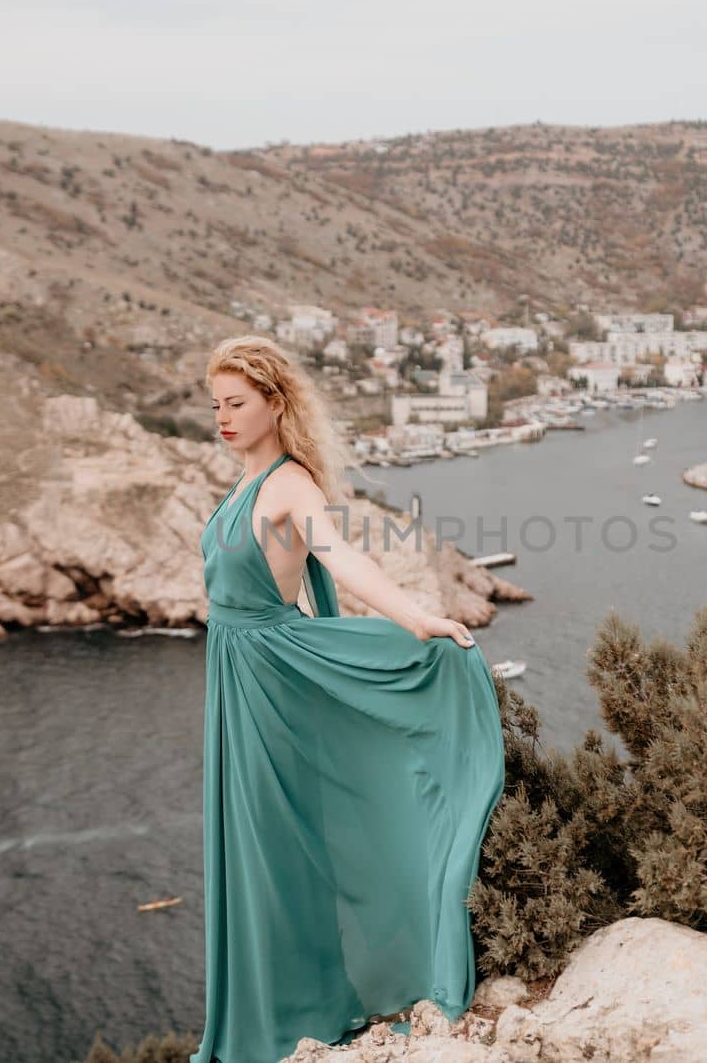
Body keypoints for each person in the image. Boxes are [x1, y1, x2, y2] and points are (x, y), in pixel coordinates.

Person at [193, 335, 506, 1063]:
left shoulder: (288, 484)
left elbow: (341, 556)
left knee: (277, 851)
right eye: (216, 405)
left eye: (237, 403)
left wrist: (416, 618)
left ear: (275, 402)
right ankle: (266, 1016)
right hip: (235, 678)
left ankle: (295, 1014)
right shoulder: (241, 485)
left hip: (270, 683)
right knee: (256, 850)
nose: (223, 417)